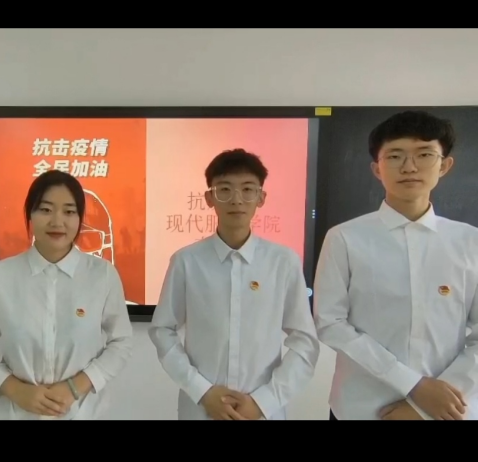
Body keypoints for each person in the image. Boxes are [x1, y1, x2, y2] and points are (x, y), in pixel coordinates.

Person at [314, 110, 478, 420]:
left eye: (424, 154)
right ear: (377, 169)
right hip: (361, 409)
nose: (409, 167)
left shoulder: (470, 241)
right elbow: (330, 323)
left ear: (444, 165)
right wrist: (413, 385)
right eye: (395, 156)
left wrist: (428, 402)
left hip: (447, 409)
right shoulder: (345, 238)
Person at [148, 149, 320, 420]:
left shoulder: (283, 262)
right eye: (225, 189)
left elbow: (305, 342)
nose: (236, 199)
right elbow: (162, 331)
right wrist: (202, 391)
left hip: (264, 412)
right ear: (209, 198)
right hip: (202, 409)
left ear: (261, 198)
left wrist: (264, 401)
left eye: (247, 189)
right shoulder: (186, 261)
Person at [0, 169, 134, 420]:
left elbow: (121, 342)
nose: (57, 221)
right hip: (17, 414)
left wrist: (75, 387)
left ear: (80, 218)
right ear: (30, 215)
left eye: (69, 211)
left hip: (82, 413)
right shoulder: (0, 277)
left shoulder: (102, 275)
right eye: (45, 209)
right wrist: (16, 390)